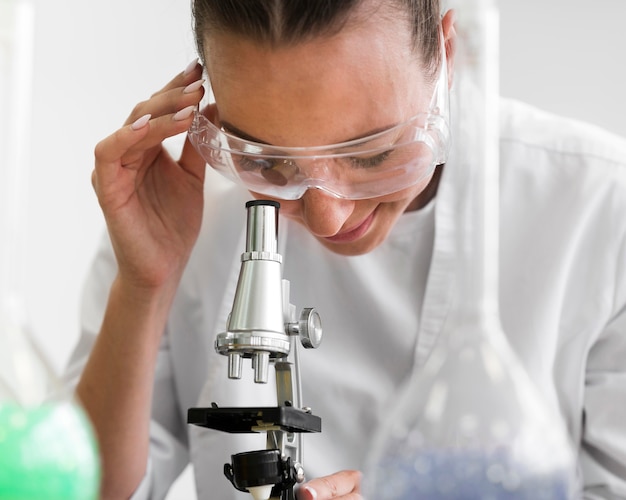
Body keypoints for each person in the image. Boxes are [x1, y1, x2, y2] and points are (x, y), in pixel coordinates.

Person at [64, 0, 626, 498]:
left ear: (447, 59)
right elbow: (83, 491)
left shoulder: (597, 206)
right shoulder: (183, 203)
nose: (327, 217)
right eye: (271, 162)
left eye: (373, 154)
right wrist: (145, 285)